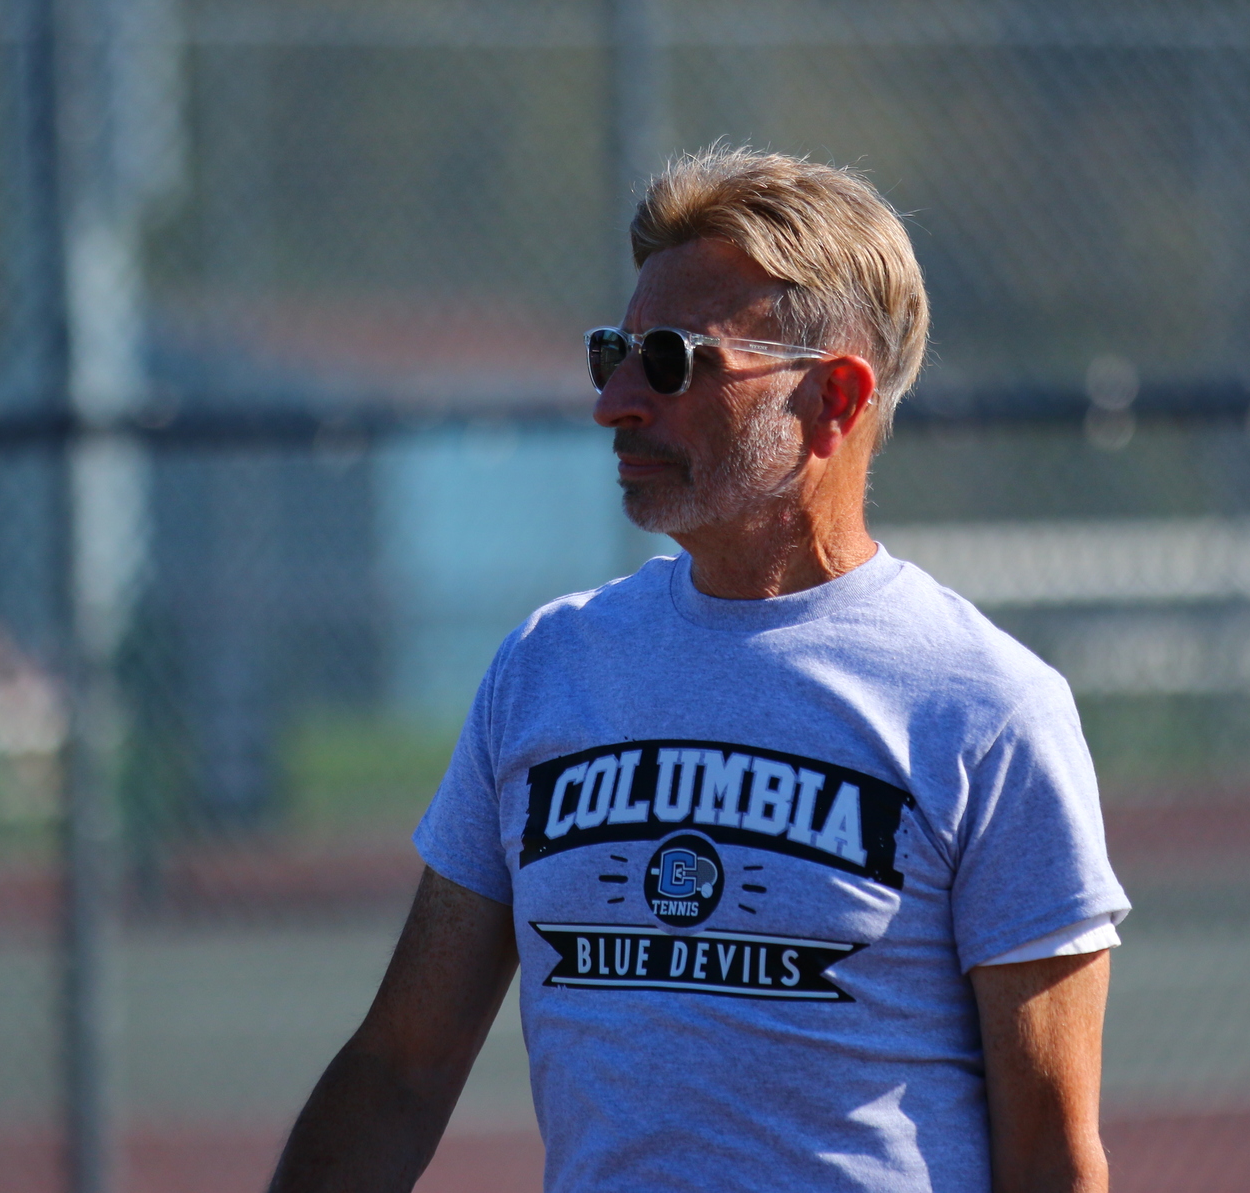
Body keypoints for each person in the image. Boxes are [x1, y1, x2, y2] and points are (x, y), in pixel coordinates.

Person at [269, 147, 1129, 1193]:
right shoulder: (547, 668)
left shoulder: (986, 708)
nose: (616, 403)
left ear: (833, 399)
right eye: (610, 355)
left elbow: (1048, 1153)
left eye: (673, 362)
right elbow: (401, 1068)